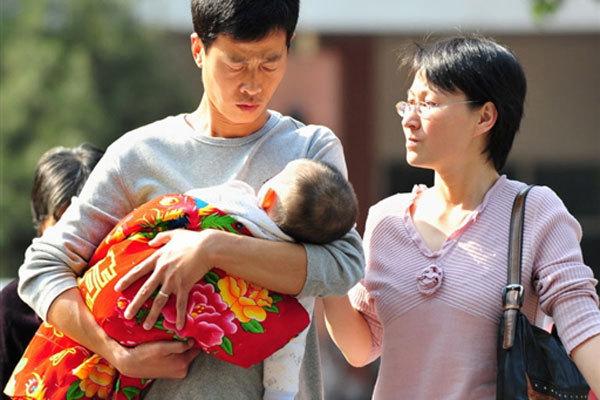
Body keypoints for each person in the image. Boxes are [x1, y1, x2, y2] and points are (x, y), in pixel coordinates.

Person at [17, 1, 364, 399]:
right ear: (199, 49)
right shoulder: (139, 155)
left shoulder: (308, 151)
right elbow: (42, 268)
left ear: (290, 48)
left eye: (270, 62)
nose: (253, 84)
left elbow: (342, 266)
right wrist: (116, 353)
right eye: (236, 63)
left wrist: (211, 249)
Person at [322, 35, 600, 399]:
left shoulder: (534, 211)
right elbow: (361, 348)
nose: (410, 119)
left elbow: (581, 323)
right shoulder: (385, 219)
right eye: (408, 103)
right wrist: (324, 257)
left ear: (484, 117)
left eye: (428, 104)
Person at [0, 144, 103, 399]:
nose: (80, 236)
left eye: (93, 221)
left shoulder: (142, 291)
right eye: (65, 222)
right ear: (41, 227)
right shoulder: (13, 308)